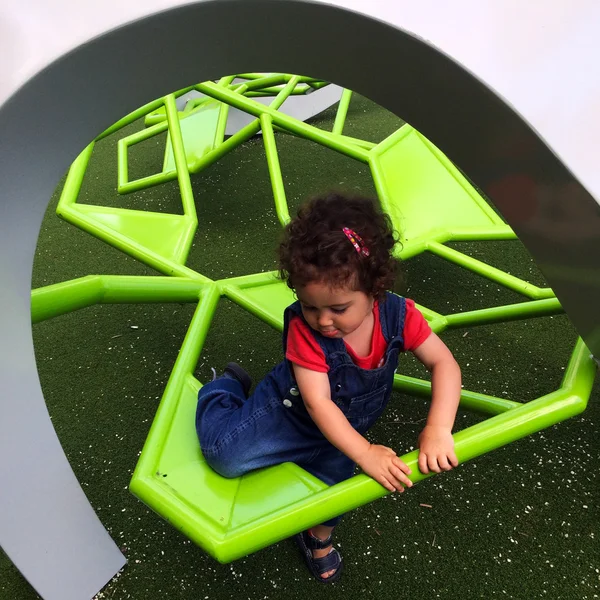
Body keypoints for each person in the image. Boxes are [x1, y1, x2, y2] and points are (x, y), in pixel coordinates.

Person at [196, 193, 461, 583]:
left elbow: (445, 364)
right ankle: (225, 388)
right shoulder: (306, 332)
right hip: (292, 413)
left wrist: (438, 427)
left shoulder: (399, 315)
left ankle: (316, 536)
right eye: (309, 305)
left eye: (338, 309)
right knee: (223, 456)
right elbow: (318, 403)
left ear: (376, 289)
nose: (322, 320)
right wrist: (365, 450)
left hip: (345, 428)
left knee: (335, 482)